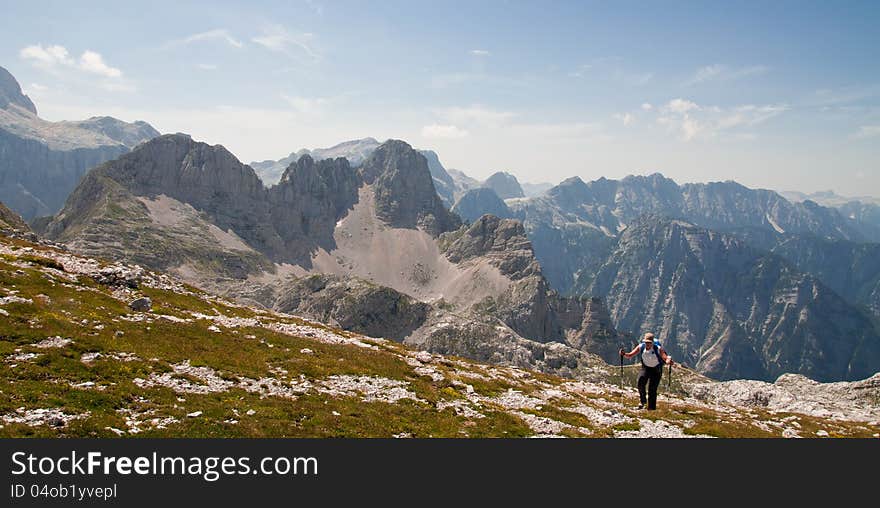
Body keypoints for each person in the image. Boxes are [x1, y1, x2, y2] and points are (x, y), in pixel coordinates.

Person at [619, 333, 674, 410]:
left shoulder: (658, 348)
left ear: (652, 342)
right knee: (640, 382)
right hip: (646, 368)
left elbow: (665, 358)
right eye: (646, 342)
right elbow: (630, 355)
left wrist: (668, 360)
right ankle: (643, 402)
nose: (647, 344)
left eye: (649, 343)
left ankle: (651, 409)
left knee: (652, 389)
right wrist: (624, 354)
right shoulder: (641, 347)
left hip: (656, 370)